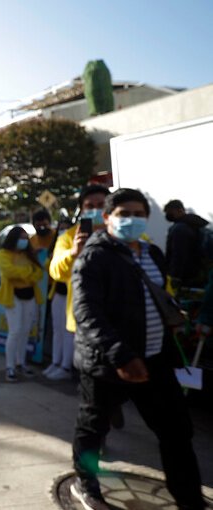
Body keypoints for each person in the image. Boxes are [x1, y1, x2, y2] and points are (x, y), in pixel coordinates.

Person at [69, 188, 204, 510]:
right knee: (93, 429)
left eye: (139, 214)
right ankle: (85, 484)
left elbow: (157, 294)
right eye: (123, 214)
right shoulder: (93, 255)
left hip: (155, 360)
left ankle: (189, 499)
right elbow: (87, 312)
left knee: (177, 432)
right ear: (107, 218)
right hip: (108, 364)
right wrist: (122, 355)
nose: (132, 220)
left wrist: (173, 318)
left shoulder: (152, 252)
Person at [48, 185, 110, 380]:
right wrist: (73, 252)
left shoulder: (123, 234)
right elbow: (55, 270)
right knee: (96, 385)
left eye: (101, 205)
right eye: (89, 206)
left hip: (122, 316)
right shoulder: (69, 236)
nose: (95, 209)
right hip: (87, 321)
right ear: (82, 210)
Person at [0, 226, 44, 382]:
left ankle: (20, 363)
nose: (24, 241)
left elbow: (38, 273)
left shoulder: (28, 254)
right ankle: (10, 367)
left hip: (30, 296)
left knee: (25, 331)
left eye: (25, 238)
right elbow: (8, 272)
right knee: (15, 331)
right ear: (13, 238)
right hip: (13, 296)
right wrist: (27, 272)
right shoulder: (2, 253)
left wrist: (24, 273)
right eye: (21, 237)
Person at [163, 199, 209, 290]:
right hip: (201, 274)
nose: (167, 215)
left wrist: (174, 276)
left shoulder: (179, 229)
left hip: (185, 278)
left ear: (179, 210)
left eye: (169, 211)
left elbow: (178, 255)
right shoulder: (197, 224)